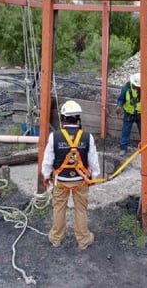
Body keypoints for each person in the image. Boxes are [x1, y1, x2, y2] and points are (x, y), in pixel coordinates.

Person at [42, 100, 101, 250]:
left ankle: (56, 238)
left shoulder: (54, 136)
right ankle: (83, 240)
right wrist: (94, 176)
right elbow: (93, 160)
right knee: (80, 210)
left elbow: (48, 159)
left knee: (59, 208)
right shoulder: (88, 137)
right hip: (80, 180)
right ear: (78, 119)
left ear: (63, 119)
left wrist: (46, 175)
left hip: (61, 180)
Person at [115, 72, 147, 156]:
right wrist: (119, 106)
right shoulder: (125, 88)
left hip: (141, 115)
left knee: (144, 133)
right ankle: (123, 148)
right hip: (129, 114)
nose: (138, 87)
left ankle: (145, 148)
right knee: (125, 132)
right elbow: (121, 99)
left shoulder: (146, 90)